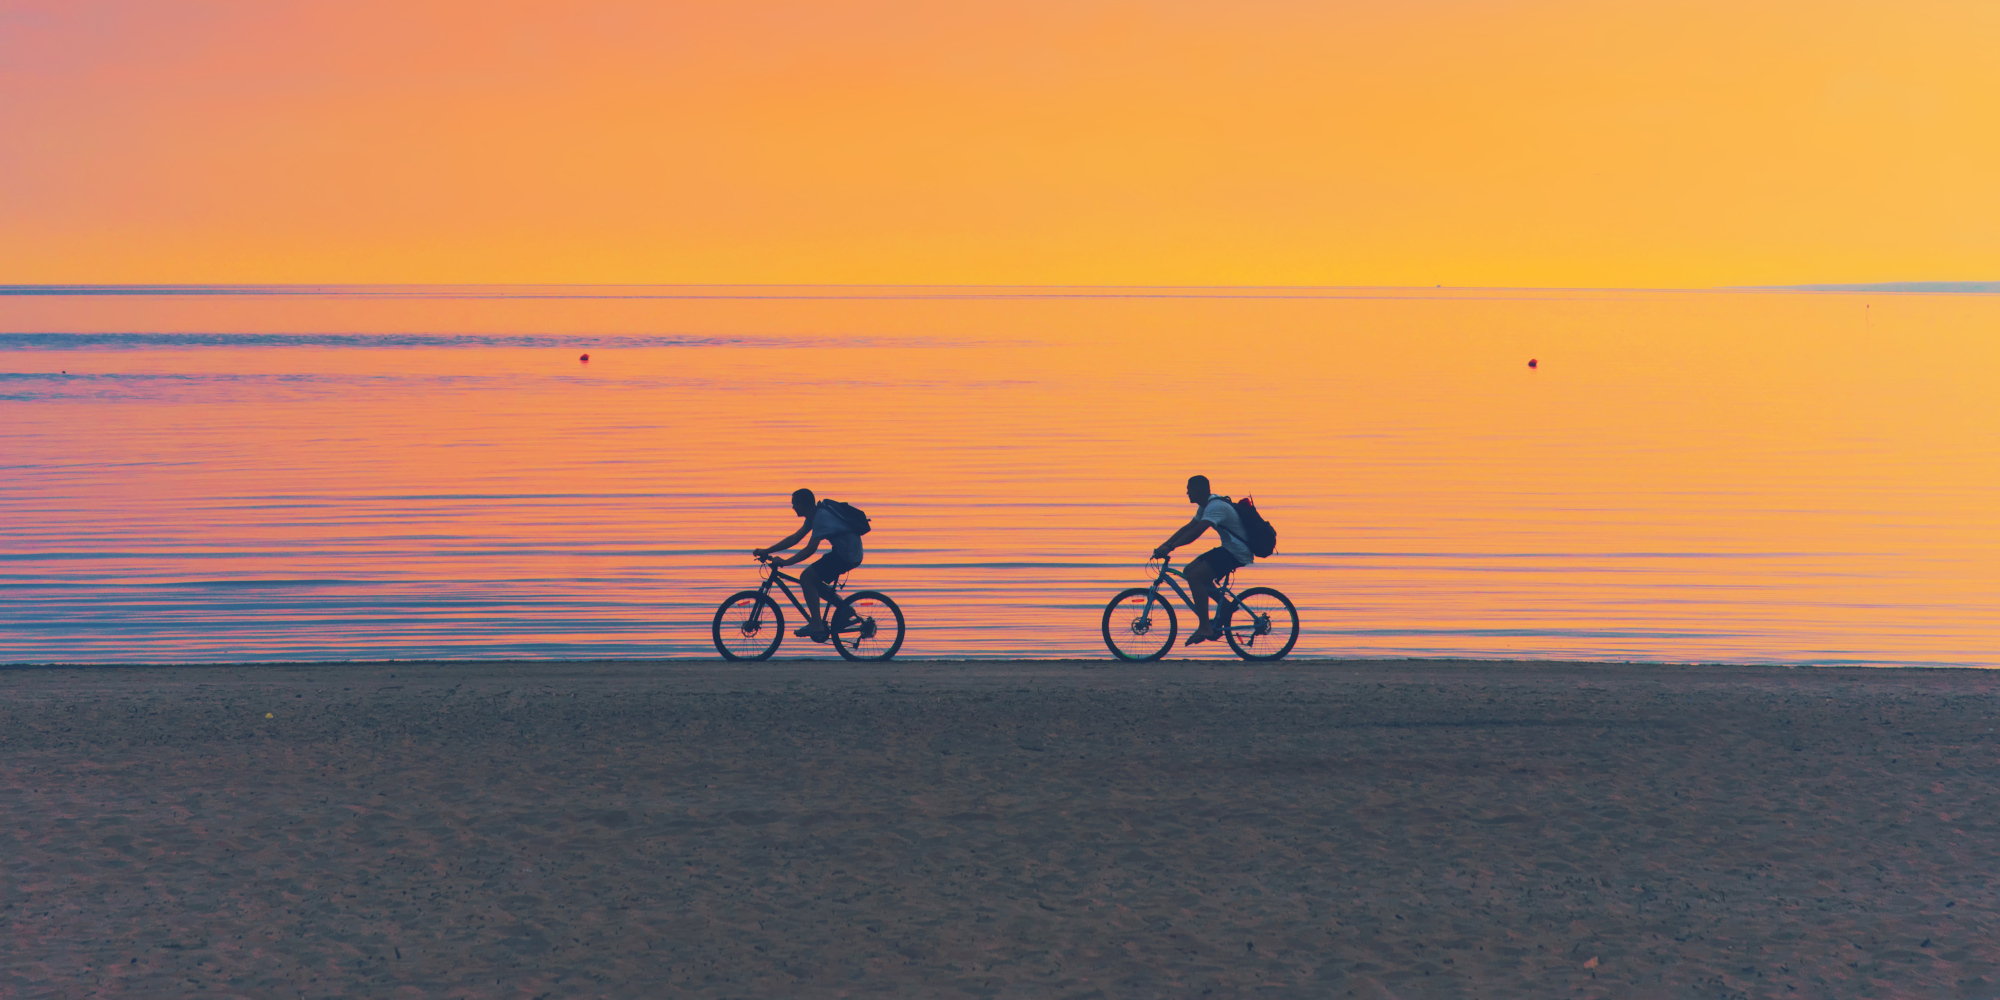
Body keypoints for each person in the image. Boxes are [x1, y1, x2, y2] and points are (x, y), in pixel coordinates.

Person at [1151, 474, 1255, 646]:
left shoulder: (1215, 507)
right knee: (1189, 570)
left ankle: (1205, 627)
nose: (1186, 493)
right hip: (1230, 548)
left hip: (1236, 552)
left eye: (1189, 489)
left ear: (1198, 491)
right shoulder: (1206, 505)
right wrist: (1164, 545)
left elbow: (1196, 532)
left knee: (1195, 577)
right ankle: (1227, 607)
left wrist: (1171, 548)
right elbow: (1188, 527)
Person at [754, 488, 864, 642]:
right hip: (845, 552)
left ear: (803, 504)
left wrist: (786, 562)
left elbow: (810, 549)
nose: (792, 507)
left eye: (795, 504)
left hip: (847, 555)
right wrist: (767, 550)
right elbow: (794, 539)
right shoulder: (814, 515)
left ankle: (817, 624)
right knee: (814, 581)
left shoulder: (820, 518)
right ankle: (845, 609)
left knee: (806, 577)